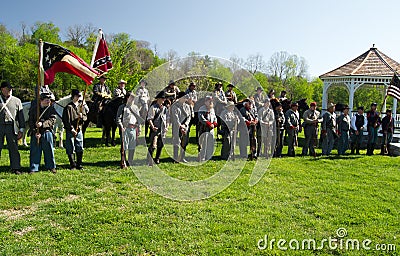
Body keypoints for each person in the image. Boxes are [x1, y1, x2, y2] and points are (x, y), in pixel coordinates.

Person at [28, 92, 57, 174]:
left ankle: (51, 166)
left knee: (49, 150)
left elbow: (52, 120)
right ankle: (34, 168)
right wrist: (34, 131)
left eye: (49, 100)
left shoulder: (51, 109)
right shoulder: (34, 109)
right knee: (35, 151)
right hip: (36, 133)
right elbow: (30, 121)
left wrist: (42, 124)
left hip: (47, 132)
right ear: (41, 100)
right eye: (46, 100)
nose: (48, 102)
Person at [0, 81, 25, 174]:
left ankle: (16, 167)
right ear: (2, 89)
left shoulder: (17, 101)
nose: (10, 90)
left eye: (11, 88)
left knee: (14, 147)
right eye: (7, 88)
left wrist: (21, 129)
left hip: (12, 127)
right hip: (0, 126)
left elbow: (20, 116)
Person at [62, 89, 88, 170]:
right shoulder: (68, 107)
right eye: (77, 96)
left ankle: (79, 164)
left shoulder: (81, 106)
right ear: (73, 96)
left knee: (79, 146)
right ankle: (72, 164)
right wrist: (71, 129)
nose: (79, 98)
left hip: (79, 129)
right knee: (70, 146)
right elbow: (66, 120)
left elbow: (85, 118)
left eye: (80, 96)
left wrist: (82, 116)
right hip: (71, 129)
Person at [116, 92, 143, 166]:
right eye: (130, 97)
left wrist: (139, 129)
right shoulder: (122, 107)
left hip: (133, 128)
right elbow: (118, 118)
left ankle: (130, 161)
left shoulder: (135, 108)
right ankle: (123, 161)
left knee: (132, 146)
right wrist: (121, 127)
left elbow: (138, 119)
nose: (132, 99)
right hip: (125, 128)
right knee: (124, 146)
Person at [147, 91, 169, 165]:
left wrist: (167, 127)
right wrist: (152, 127)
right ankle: (149, 159)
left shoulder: (165, 108)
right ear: (158, 99)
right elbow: (149, 119)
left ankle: (157, 158)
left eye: (164, 98)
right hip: (155, 129)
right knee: (153, 146)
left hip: (162, 129)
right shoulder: (153, 107)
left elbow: (168, 118)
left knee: (161, 145)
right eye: (162, 98)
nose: (163, 99)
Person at [170, 91, 191, 163]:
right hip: (177, 127)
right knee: (176, 142)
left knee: (184, 142)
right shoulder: (174, 106)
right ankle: (175, 158)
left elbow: (189, 117)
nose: (185, 99)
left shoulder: (187, 106)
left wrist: (185, 125)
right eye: (184, 97)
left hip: (185, 126)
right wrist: (180, 126)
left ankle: (182, 157)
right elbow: (175, 118)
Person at [198, 95, 218, 161]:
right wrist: (208, 124)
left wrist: (214, 124)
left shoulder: (212, 109)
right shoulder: (202, 108)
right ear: (205, 101)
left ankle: (209, 156)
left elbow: (215, 117)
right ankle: (202, 157)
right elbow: (201, 118)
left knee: (210, 142)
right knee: (204, 142)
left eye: (211, 101)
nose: (210, 102)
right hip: (204, 128)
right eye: (209, 101)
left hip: (211, 129)